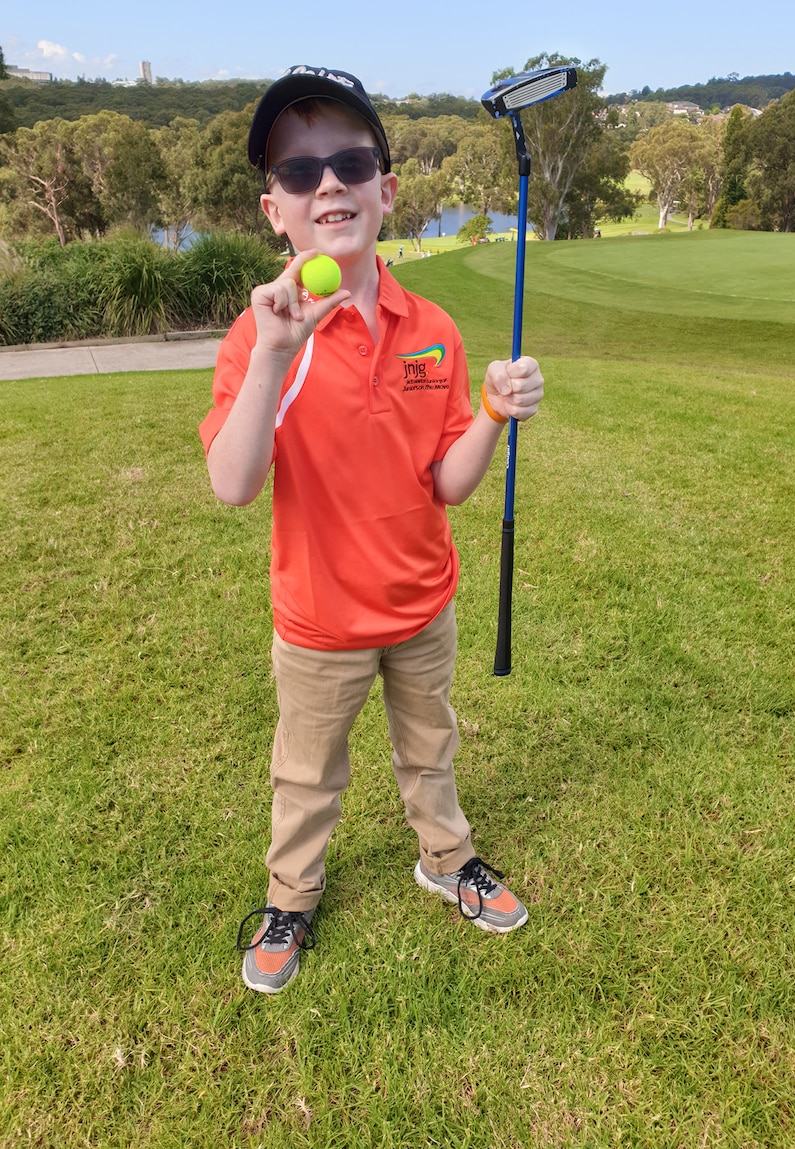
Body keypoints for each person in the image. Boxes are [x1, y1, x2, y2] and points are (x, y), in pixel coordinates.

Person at [198, 64, 544, 994]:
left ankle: (445, 856)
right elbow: (232, 483)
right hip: (318, 624)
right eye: (300, 173)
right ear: (275, 209)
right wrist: (276, 353)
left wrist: (490, 415)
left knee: (431, 745)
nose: (329, 185)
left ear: (386, 190)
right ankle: (292, 894)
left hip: (422, 605)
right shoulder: (260, 333)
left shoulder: (430, 327)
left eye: (350, 162)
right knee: (308, 775)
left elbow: (448, 484)